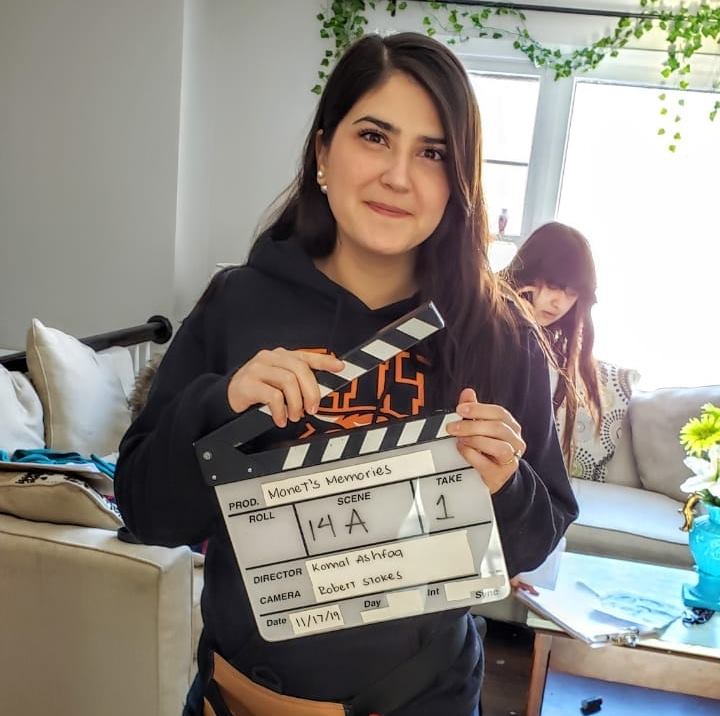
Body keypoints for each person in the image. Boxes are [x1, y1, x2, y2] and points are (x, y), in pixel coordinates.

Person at [114, 32, 577, 716]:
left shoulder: (501, 337)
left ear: (459, 181)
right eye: (374, 137)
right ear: (324, 151)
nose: (398, 175)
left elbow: (535, 545)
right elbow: (147, 511)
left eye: (433, 152)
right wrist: (223, 406)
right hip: (238, 699)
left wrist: (507, 484)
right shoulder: (238, 302)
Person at [503, 222, 601, 466]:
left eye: (571, 292)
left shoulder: (553, 346)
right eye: (553, 285)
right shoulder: (488, 314)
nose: (559, 302)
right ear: (527, 272)